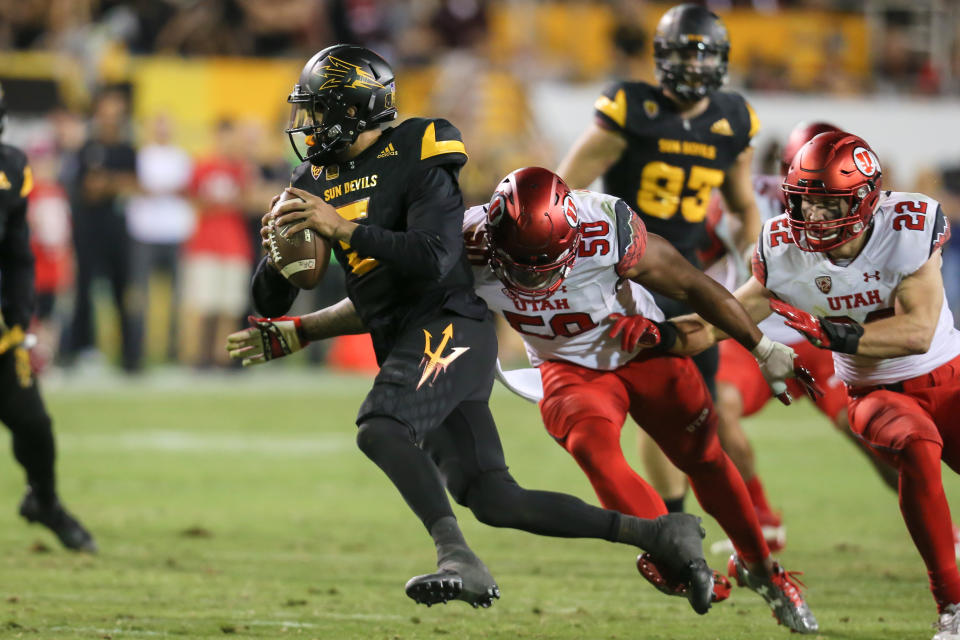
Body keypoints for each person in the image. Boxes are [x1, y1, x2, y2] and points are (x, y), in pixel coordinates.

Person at [225, 44, 715, 614]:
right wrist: (278, 264)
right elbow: (275, 294)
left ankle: (457, 559)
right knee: (494, 497)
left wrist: (344, 231)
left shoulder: (417, 147)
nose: (306, 124)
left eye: (318, 110)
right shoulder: (312, 178)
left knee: (380, 427)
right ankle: (658, 534)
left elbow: (435, 255)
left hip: (450, 324)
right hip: (402, 338)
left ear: (354, 108)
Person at [464, 166, 819, 634]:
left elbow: (691, 284)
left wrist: (762, 346)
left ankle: (761, 569)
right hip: (567, 368)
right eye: (520, 265)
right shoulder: (462, 242)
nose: (532, 279)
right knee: (594, 450)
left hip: (640, 348)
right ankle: (673, 551)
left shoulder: (605, 227)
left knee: (705, 457)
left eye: (545, 265)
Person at [676, 130, 960, 640]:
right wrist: (649, 339)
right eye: (806, 203)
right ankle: (954, 605)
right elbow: (722, 318)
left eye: (829, 204)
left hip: (949, 378)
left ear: (864, 199)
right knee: (916, 447)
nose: (815, 218)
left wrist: (829, 331)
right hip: (877, 394)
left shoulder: (908, 224)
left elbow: (917, 332)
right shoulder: (784, 246)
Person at [556, 3, 762, 514]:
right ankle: (672, 517)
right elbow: (565, 188)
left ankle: (700, 515)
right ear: (660, 58)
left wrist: (752, 255)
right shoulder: (633, 107)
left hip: (688, 274)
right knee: (658, 401)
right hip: (631, 272)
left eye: (703, 55)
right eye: (682, 54)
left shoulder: (733, 118)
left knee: (701, 406)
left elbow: (742, 205)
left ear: (721, 61)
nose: (693, 66)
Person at [706, 122, 899, 555]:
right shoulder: (745, 197)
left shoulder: (875, 211)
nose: (813, 205)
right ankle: (761, 518)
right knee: (717, 407)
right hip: (752, 333)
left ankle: (938, 522)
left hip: (821, 336)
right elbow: (704, 255)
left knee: (872, 433)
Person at [0, 85, 96, 552]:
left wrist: (19, 317)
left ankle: (46, 501)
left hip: (1, 335)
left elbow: (17, 252)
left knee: (34, 424)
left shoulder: (12, 166)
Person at [61, 88, 140, 372]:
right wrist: (112, 185)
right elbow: (87, 190)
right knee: (84, 291)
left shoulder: (128, 149)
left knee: (122, 292)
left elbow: (133, 185)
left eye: (116, 115)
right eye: (107, 114)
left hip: (117, 230)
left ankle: (130, 358)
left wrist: (108, 183)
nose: (111, 120)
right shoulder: (85, 148)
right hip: (87, 229)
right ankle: (77, 351)